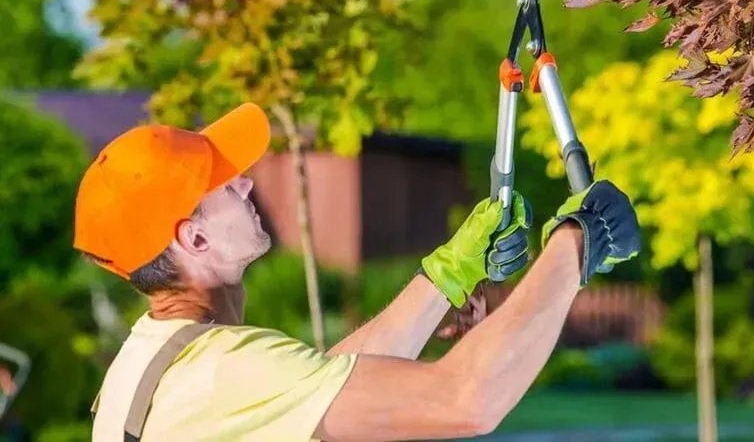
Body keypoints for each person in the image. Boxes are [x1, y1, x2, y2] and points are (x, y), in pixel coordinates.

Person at [77, 102, 641, 442]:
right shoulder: (221, 371)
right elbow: (467, 400)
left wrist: (450, 270)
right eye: (223, 184)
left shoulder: (156, 359)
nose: (247, 183)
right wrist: (578, 242)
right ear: (193, 238)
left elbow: (326, 381)